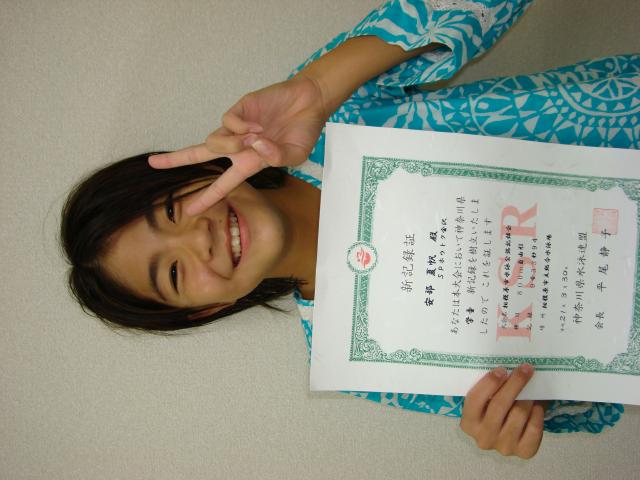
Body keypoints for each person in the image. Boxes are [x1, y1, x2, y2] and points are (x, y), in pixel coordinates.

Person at [61, 0, 636, 459]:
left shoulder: (318, 120)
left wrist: (319, 86)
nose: (198, 238)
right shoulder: (352, 358)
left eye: (170, 212)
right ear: (204, 309)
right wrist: (519, 416)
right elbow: (591, 400)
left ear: (192, 171)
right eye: (173, 273)